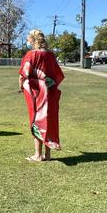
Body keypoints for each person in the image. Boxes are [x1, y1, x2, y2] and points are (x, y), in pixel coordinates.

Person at [19, 29, 65, 162]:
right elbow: (57, 75)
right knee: (48, 120)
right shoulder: (50, 55)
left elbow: (23, 74)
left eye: (28, 39)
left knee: (36, 120)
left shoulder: (30, 55)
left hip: (35, 93)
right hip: (49, 93)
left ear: (33, 40)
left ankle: (38, 155)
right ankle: (48, 155)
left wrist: (21, 86)